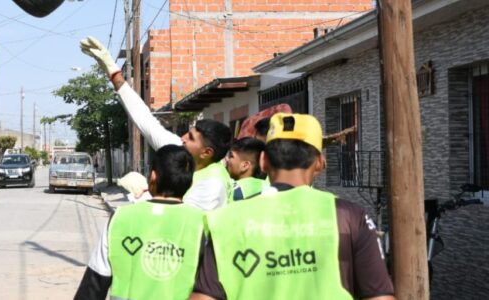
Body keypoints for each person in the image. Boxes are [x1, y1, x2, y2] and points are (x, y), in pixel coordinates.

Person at [191, 113, 395, 300]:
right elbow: (380, 297)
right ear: (320, 163)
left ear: (263, 161)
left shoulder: (226, 220)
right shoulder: (349, 217)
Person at [80, 36, 233, 211]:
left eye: (191, 138)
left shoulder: (213, 184)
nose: (182, 138)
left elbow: (179, 217)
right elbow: (144, 117)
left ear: (207, 152)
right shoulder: (179, 152)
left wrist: (144, 193)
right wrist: (111, 69)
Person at [75, 145, 205, 300]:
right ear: (190, 184)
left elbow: (94, 283)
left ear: (153, 176)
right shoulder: (201, 223)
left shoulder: (120, 218)